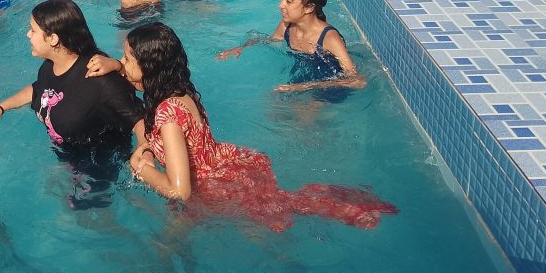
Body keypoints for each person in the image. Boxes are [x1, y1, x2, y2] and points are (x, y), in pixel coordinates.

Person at [102, 22, 396, 230]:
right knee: (279, 210)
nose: (121, 63)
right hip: (226, 168)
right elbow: (177, 143)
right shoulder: (179, 92)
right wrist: (148, 149)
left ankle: (345, 210)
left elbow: (180, 191)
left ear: (148, 67)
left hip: (215, 189)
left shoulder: (166, 114)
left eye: (126, 58)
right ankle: (349, 204)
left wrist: (142, 170)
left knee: (170, 245)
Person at [0, 0, 146, 209]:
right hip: (71, 154)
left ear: (53, 39)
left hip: (99, 165)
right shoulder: (50, 66)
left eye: (33, 30)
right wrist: (0, 108)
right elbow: (38, 89)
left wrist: (144, 151)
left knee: (86, 219)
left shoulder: (98, 78)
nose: (28, 34)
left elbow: (139, 119)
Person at [217, 0, 365, 93]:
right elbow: (269, 40)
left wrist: (302, 87)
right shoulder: (287, 26)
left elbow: (357, 81)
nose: (280, 5)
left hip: (329, 89)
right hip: (303, 79)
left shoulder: (329, 38)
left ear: (309, 7)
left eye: (288, 1)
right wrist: (243, 47)